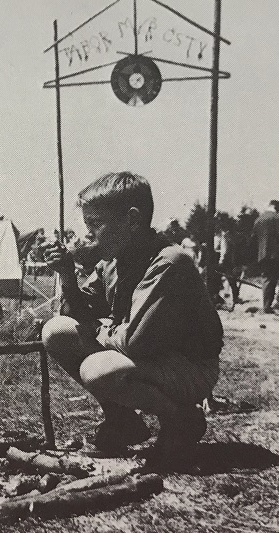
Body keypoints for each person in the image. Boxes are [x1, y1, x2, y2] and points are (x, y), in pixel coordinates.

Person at [40, 172, 223, 472]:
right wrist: (68, 277)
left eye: (95, 225)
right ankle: (123, 421)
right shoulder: (113, 261)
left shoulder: (168, 262)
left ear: (132, 220)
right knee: (56, 332)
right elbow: (79, 317)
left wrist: (99, 329)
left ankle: (181, 420)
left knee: (97, 369)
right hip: (152, 357)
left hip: (190, 367)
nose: (87, 236)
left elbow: (133, 341)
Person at [251, 200, 279, 313]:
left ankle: (266, 306)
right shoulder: (278, 217)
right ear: (277, 207)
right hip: (277, 255)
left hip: (263, 255)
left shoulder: (259, 219)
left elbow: (254, 238)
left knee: (267, 279)